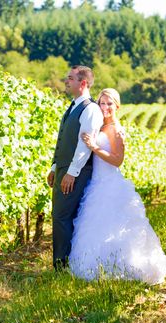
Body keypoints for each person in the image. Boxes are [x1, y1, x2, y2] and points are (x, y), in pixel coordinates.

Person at [69, 88, 166, 284]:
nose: (105, 107)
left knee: (115, 226)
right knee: (96, 225)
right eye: (102, 103)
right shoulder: (100, 126)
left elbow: (117, 161)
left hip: (110, 184)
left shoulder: (116, 129)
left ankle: (122, 267)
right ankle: (99, 266)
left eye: (109, 103)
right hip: (96, 183)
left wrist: (94, 147)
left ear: (117, 106)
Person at [47, 65, 103, 270]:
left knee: (62, 216)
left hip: (76, 171)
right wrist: (55, 167)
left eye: (70, 78)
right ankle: (67, 263)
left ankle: (62, 265)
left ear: (83, 83)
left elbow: (83, 146)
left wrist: (71, 173)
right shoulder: (72, 106)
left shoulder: (90, 109)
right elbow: (63, 140)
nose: (66, 81)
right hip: (64, 169)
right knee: (62, 215)